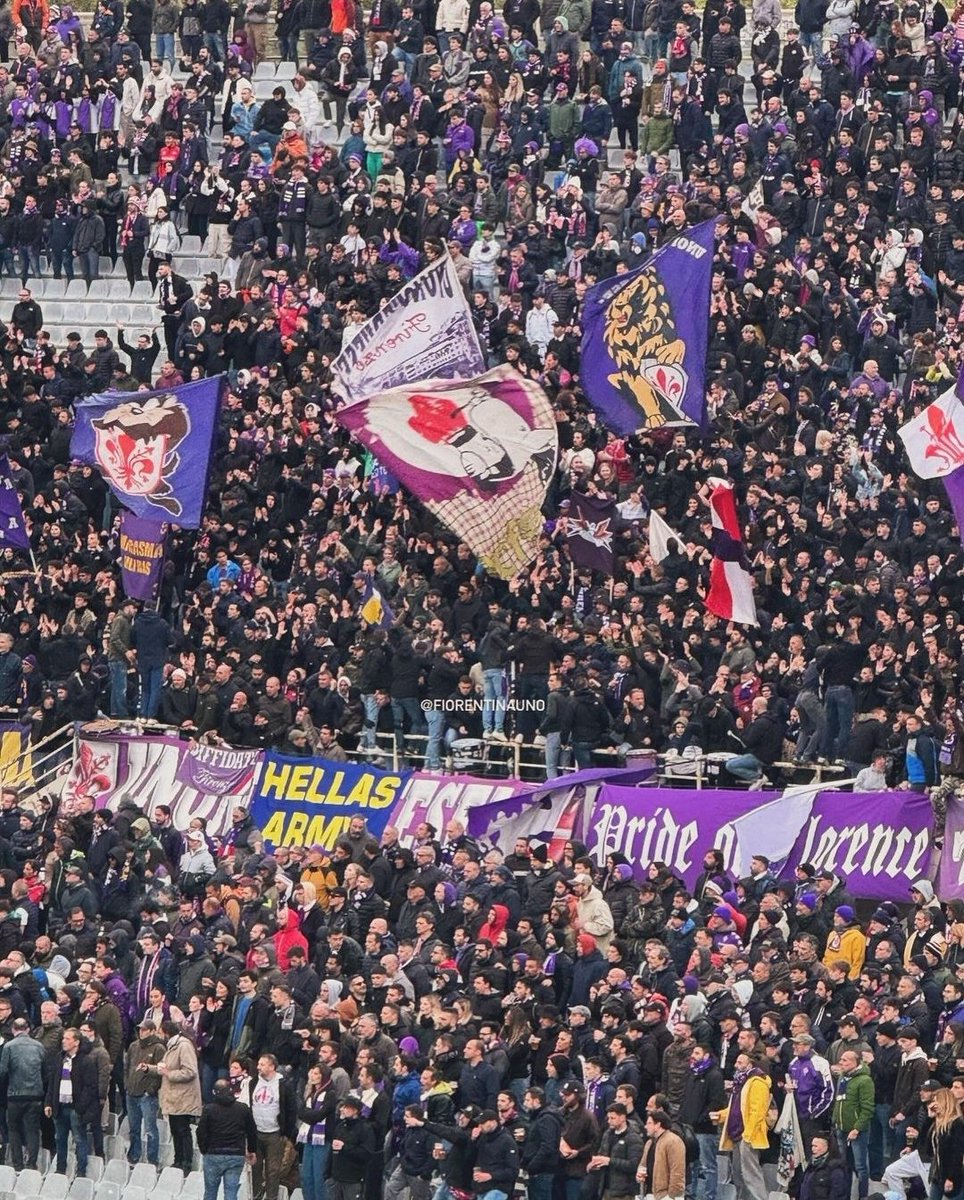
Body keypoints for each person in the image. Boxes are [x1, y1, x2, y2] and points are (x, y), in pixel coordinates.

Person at [717, 1053, 771, 1200]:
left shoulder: (758, 1083)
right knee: (738, 1174)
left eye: (740, 1062)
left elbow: (757, 1112)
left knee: (751, 1174)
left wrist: (748, 1134)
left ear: (750, 1065)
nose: (736, 1065)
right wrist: (720, 1116)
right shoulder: (741, 1082)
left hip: (748, 1136)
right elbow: (737, 1108)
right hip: (736, 1133)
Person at [197, 1078, 259, 1200]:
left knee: (210, 1192)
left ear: (214, 1093)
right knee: (231, 1192)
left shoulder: (209, 1109)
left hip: (213, 1154)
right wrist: (252, 1150)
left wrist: (204, 1149)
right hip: (236, 1155)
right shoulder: (243, 1108)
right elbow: (252, 1131)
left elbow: (201, 1132)